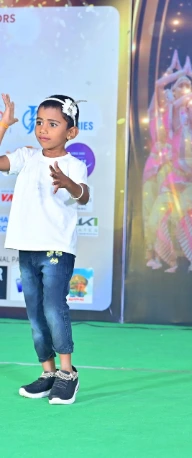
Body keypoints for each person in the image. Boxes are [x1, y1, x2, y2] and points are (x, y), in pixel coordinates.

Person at [0, 93, 90, 404]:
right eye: (39, 122)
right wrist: (3, 125)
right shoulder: (26, 157)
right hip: (27, 247)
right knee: (36, 314)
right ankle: (48, 373)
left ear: (71, 132)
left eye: (53, 124)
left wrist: (68, 183)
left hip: (56, 249)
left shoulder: (74, 165)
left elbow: (84, 195)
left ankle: (67, 373)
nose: (43, 129)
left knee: (53, 308)